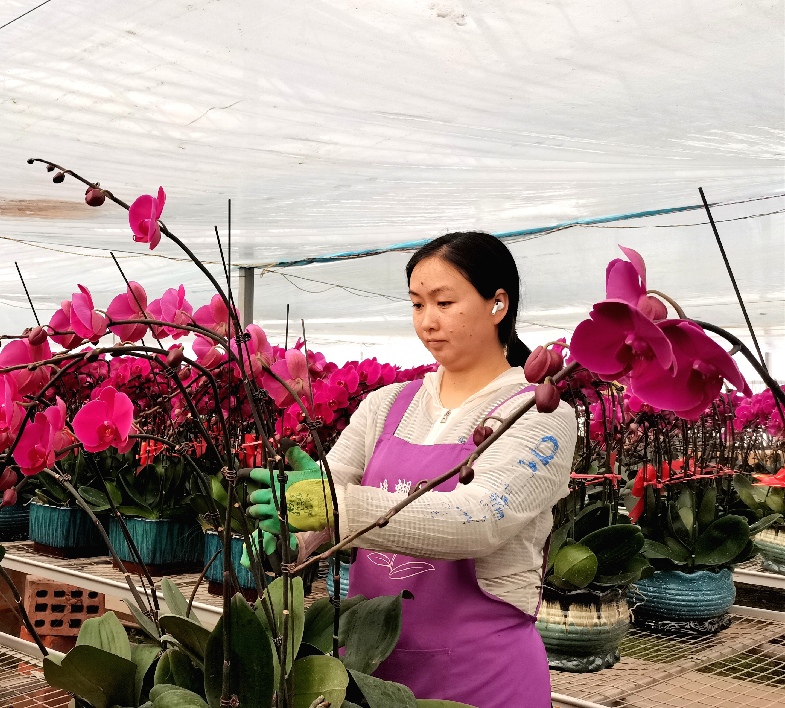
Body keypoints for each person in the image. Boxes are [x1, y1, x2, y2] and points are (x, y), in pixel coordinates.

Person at [245, 231, 574, 708]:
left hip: (480, 675)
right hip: (367, 663)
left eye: (443, 302)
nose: (428, 321)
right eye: (417, 305)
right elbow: (330, 484)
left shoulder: (539, 415)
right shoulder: (386, 404)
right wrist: (286, 539)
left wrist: (331, 505)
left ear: (498, 304)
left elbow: (479, 520)